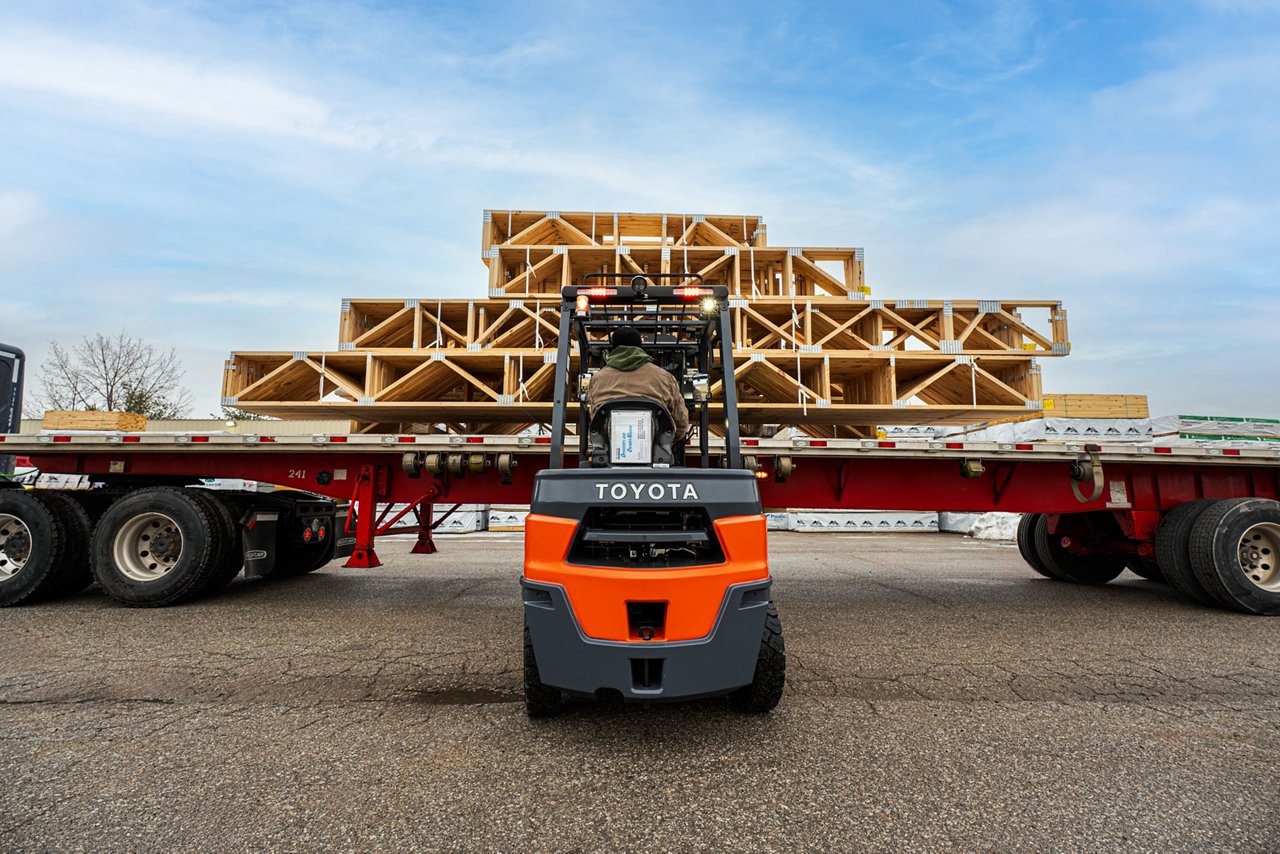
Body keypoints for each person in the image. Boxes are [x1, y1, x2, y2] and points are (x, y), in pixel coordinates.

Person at [587, 327, 690, 438]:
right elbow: (681, 420)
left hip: (610, 445)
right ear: (640, 347)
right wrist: (671, 440)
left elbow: (594, 416)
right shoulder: (664, 378)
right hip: (653, 447)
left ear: (613, 348)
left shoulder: (597, 379)